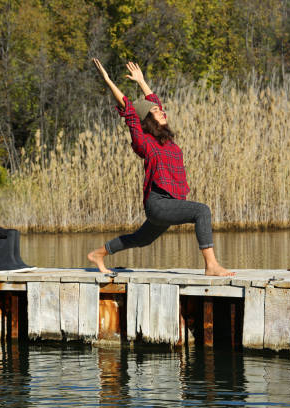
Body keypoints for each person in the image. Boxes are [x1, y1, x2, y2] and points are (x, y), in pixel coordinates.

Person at [88, 59, 234, 277]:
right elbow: (129, 111)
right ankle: (211, 265)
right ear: (148, 120)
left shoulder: (167, 140)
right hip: (157, 202)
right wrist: (108, 81)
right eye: (156, 111)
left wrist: (142, 81)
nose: (162, 111)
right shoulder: (143, 140)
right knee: (202, 211)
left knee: (142, 239)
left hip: (170, 202)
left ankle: (98, 254)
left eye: (160, 110)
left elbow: (154, 101)